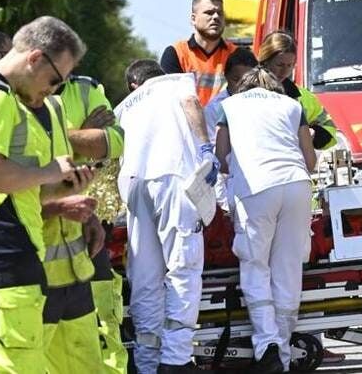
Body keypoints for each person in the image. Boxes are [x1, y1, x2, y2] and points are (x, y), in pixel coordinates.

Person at [0, 17, 95, 373]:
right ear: (35, 58)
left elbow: (8, 184)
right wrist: (50, 172)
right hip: (4, 248)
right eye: (55, 79)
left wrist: (57, 190)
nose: (54, 90)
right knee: (16, 365)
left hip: (5, 246)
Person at [115, 60, 217, 374]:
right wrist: (205, 149)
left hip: (134, 185)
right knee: (183, 268)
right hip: (173, 177)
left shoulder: (124, 106)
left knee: (145, 277)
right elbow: (190, 102)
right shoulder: (174, 84)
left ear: (133, 84)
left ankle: (147, 363)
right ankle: (175, 359)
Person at [215, 67, 315, 373]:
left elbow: (221, 156)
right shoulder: (292, 106)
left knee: (256, 265)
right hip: (297, 186)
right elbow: (309, 160)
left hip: (257, 188)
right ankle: (282, 356)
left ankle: (267, 346)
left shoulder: (229, 106)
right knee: (287, 269)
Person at [57, 74, 128, 374]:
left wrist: (60, 136)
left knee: (103, 315)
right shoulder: (14, 94)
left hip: (92, 220)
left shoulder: (86, 88)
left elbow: (112, 143)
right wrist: (81, 134)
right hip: (46, 227)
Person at [256, 32, 339, 151]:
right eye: (280, 65)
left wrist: (313, 134)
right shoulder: (246, 92)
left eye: (290, 65)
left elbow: (329, 129)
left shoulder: (303, 96)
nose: (285, 71)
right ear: (265, 61)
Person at [161, 0, 236, 106]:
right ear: (193, 19)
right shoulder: (176, 53)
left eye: (220, 13)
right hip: (188, 122)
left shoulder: (237, 55)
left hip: (225, 122)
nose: (215, 17)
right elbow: (169, 101)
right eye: (209, 13)